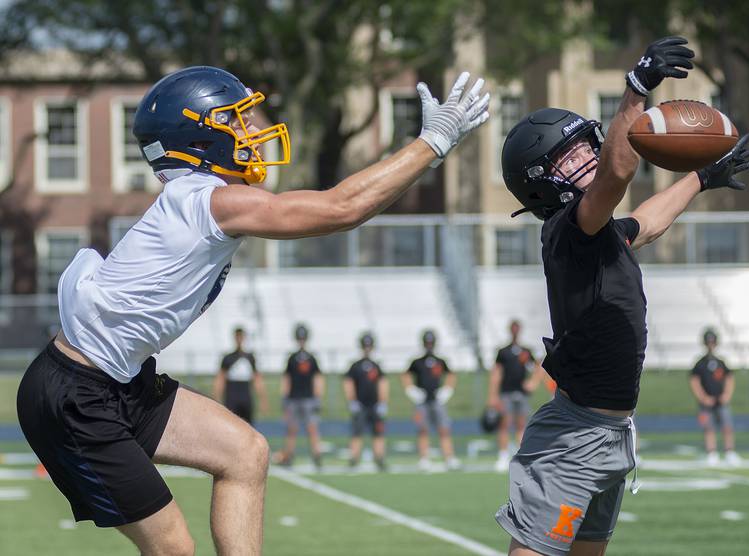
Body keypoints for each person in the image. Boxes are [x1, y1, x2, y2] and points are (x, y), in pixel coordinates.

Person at [16, 65, 489, 554]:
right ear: (198, 139)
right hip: (76, 394)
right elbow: (340, 209)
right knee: (174, 547)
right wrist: (432, 143)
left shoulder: (193, 201)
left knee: (245, 453)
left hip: (115, 380)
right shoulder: (210, 203)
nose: (251, 134)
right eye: (235, 122)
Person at [496, 36, 749, 556]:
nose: (586, 157)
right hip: (576, 436)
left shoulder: (600, 230)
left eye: (585, 145)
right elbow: (618, 170)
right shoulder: (570, 228)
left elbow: (649, 222)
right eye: (568, 158)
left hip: (611, 431)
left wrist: (700, 179)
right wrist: (635, 88)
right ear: (540, 184)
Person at [488, 319, 543, 472]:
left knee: (521, 425)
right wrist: (493, 395)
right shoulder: (503, 352)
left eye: (517, 329)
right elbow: (496, 372)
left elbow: (538, 366)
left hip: (521, 393)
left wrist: (533, 382)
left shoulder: (526, 350)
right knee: (504, 424)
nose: (515, 331)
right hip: (506, 392)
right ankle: (503, 455)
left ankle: (521, 456)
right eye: (513, 329)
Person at [402, 329, 460, 470]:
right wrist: (411, 390)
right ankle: (424, 459)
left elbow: (451, 375)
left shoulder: (440, 361)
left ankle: (449, 457)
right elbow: (405, 375)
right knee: (423, 430)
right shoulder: (417, 362)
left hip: (437, 401)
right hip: (422, 402)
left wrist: (447, 390)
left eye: (431, 342)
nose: (429, 345)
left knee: (444, 429)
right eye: (427, 342)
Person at [276, 323, 324, 469]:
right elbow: (287, 378)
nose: (301, 340)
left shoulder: (311, 358)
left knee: (312, 428)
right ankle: (289, 456)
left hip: (309, 399)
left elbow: (317, 378)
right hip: (294, 399)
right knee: (292, 429)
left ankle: (317, 456)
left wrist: (318, 397)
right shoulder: (292, 358)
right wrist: (284, 397)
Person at [689, 328, 739, 466]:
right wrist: (703, 397)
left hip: (721, 401)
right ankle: (711, 453)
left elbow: (729, 378)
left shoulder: (721, 362)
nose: (711, 344)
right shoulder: (700, 363)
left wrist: (727, 395)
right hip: (706, 403)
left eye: (713, 341)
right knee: (708, 428)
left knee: (727, 426)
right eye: (708, 342)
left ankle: (729, 452)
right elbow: (694, 381)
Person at [344, 332, 389, 470]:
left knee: (378, 433)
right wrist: (352, 401)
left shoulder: (376, 365)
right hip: (360, 404)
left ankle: (379, 458)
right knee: (357, 433)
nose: (367, 348)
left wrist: (382, 402)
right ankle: (354, 458)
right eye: (365, 346)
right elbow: (348, 383)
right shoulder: (355, 366)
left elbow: (382, 384)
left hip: (375, 405)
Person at [213, 326, 268, 424]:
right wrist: (217, 396)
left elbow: (257, 379)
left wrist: (262, 399)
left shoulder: (250, 357)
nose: (239, 339)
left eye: (241, 337)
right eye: (237, 337)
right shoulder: (228, 358)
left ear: (244, 338)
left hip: (245, 394)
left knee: (248, 426)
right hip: (232, 394)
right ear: (234, 338)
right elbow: (220, 378)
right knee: (230, 424)